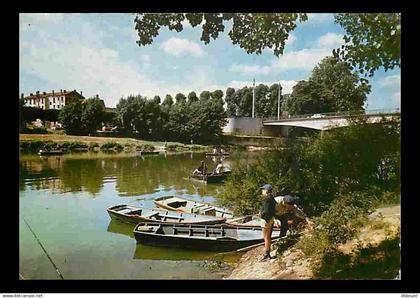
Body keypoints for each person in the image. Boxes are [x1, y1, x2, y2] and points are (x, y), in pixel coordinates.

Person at [258, 184, 313, 261]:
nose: (291, 208)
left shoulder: (291, 205)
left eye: (291, 207)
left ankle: (281, 242)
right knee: (268, 234)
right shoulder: (276, 202)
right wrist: (274, 220)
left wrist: (307, 219)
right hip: (274, 215)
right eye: (289, 207)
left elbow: (299, 212)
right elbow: (269, 212)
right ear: (285, 203)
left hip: (282, 215)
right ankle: (268, 251)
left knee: (284, 226)